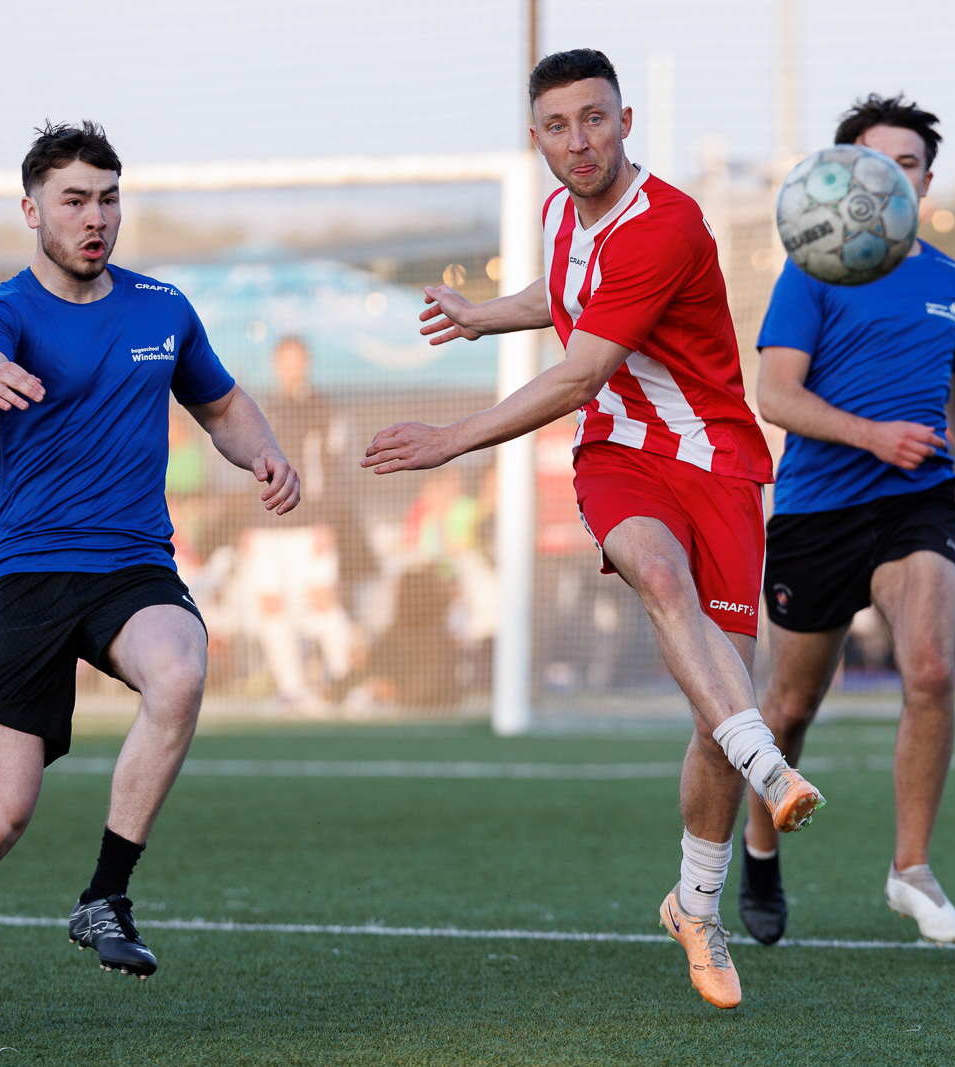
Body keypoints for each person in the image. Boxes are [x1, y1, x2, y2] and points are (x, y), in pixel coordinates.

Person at [363, 49, 824, 1010]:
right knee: (658, 577)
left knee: (714, 707)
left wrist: (450, 438)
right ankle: (768, 763)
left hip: (720, 463)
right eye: (558, 127)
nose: (579, 142)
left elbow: (576, 367)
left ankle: (697, 907)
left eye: (594, 119)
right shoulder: (558, 214)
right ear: (537, 139)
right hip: (620, 453)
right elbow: (567, 296)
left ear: (625, 120)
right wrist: (485, 316)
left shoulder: (666, 224)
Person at [0, 121, 300, 1040]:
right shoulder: (6, 310)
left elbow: (220, 402)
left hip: (131, 564)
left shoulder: (163, 307)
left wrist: (264, 456)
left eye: (107, 197)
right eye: (74, 200)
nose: (95, 216)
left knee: (181, 669)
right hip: (25, 575)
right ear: (32, 210)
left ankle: (105, 895)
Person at [745, 94, 955, 946]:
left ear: (925, 182)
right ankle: (761, 847)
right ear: (841, 179)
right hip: (817, 509)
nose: (891, 180)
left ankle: (910, 867)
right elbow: (775, 394)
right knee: (792, 705)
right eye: (874, 166)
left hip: (917, 504)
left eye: (906, 166)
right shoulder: (811, 272)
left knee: (932, 670)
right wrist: (871, 433)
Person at [246, 336, 360, 711]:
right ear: (276, 364)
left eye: (297, 359)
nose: (290, 367)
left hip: (310, 523)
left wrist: (328, 522)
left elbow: (334, 470)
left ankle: (348, 683)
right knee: (271, 604)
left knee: (322, 601)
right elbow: (248, 465)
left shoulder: (323, 408)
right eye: (284, 360)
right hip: (266, 527)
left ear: (306, 363)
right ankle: (291, 691)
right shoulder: (262, 408)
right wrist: (247, 524)